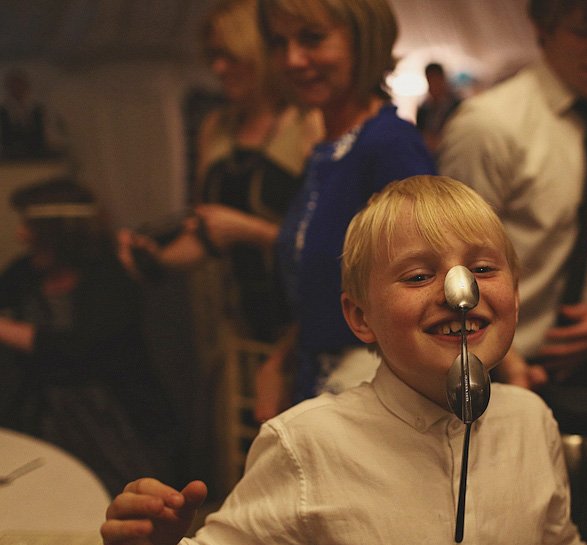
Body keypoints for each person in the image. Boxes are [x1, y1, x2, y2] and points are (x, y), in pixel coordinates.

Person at [99, 175, 587, 545]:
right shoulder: (308, 444)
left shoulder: (530, 419)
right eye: (418, 276)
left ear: (517, 294)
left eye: (484, 269)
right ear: (361, 317)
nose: (458, 292)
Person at [439, 0, 587, 393]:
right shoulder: (488, 125)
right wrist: (506, 361)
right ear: (544, 29)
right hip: (487, 360)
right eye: (585, 31)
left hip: (582, 363)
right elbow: (455, 260)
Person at [255, 0, 436, 420]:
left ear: (363, 39)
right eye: (279, 43)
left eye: (312, 39)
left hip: (373, 397)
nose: (293, 59)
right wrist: (282, 358)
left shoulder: (389, 145)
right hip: (320, 384)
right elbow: (329, 285)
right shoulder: (334, 146)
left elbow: (425, 290)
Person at [120, 0, 322, 344]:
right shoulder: (215, 127)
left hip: (301, 323)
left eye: (230, 56)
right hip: (234, 323)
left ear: (260, 53)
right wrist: (157, 258)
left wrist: (249, 231)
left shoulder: (309, 124)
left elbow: (334, 243)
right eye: (213, 56)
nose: (219, 68)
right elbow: (208, 235)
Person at [0, 178, 177, 494]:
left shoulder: (107, 276)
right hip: (43, 411)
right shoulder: (23, 273)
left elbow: (79, 349)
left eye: (28, 225)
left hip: (110, 415)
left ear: (58, 232)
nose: (20, 234)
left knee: (121, 496)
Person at [415, 62, 461, 154]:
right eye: (430, 81)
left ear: (442, 80)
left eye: (435, 80)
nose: (433, 85)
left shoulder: (457, 107)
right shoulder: (424, 110)